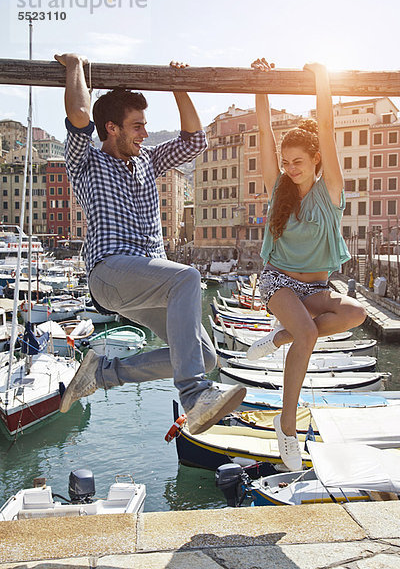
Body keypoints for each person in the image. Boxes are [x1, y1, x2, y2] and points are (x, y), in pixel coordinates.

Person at [55, 53, 246, 434]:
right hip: (109, 273)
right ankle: (193, 396)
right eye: (137, 126)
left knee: (205, 355)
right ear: (111, 128)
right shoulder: (85, 163)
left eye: (145, 125)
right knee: (188, 277)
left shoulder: (148, 162)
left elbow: (195, 141)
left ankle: (103, 373)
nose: (144, 133)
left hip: (146, 280)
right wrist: (75, 65)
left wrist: (178, 85)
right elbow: (79, 114)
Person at [247, 59, 366, 470]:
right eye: (287, 161)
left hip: (316, 290)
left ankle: (279, 339)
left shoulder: (330, 191)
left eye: (299, 160)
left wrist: (322, 79)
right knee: (307, 335)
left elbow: (328, 130)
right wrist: (261, 84)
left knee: (355, 312)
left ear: (316, 160)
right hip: (278, 281)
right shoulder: (278, 189)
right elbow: (263, 132)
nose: (291, 167)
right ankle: (287, 427)